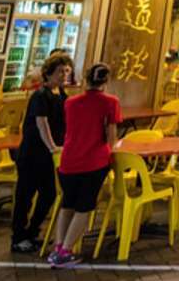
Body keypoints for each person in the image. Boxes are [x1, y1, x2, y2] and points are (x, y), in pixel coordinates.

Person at [49, 63, 120, 268]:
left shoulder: (71, 102)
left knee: (67, 204)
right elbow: (110, 137)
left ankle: (58, 246)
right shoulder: (110, 102)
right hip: (94, 161)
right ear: (106, 81)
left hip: (68, 160)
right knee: (85, 206)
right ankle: (66, 250)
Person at [11, 54, 71, 253]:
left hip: (49, 156)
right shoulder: (40, 95)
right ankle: (18, 236)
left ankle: (32, 231)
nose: (64, 75)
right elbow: (41, 122)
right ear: (49, 73)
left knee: (49, 194)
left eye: (67, 71)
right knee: (25, 196)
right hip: (32, 153)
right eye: (60, 71)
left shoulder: (62, 95)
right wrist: (52, 146)